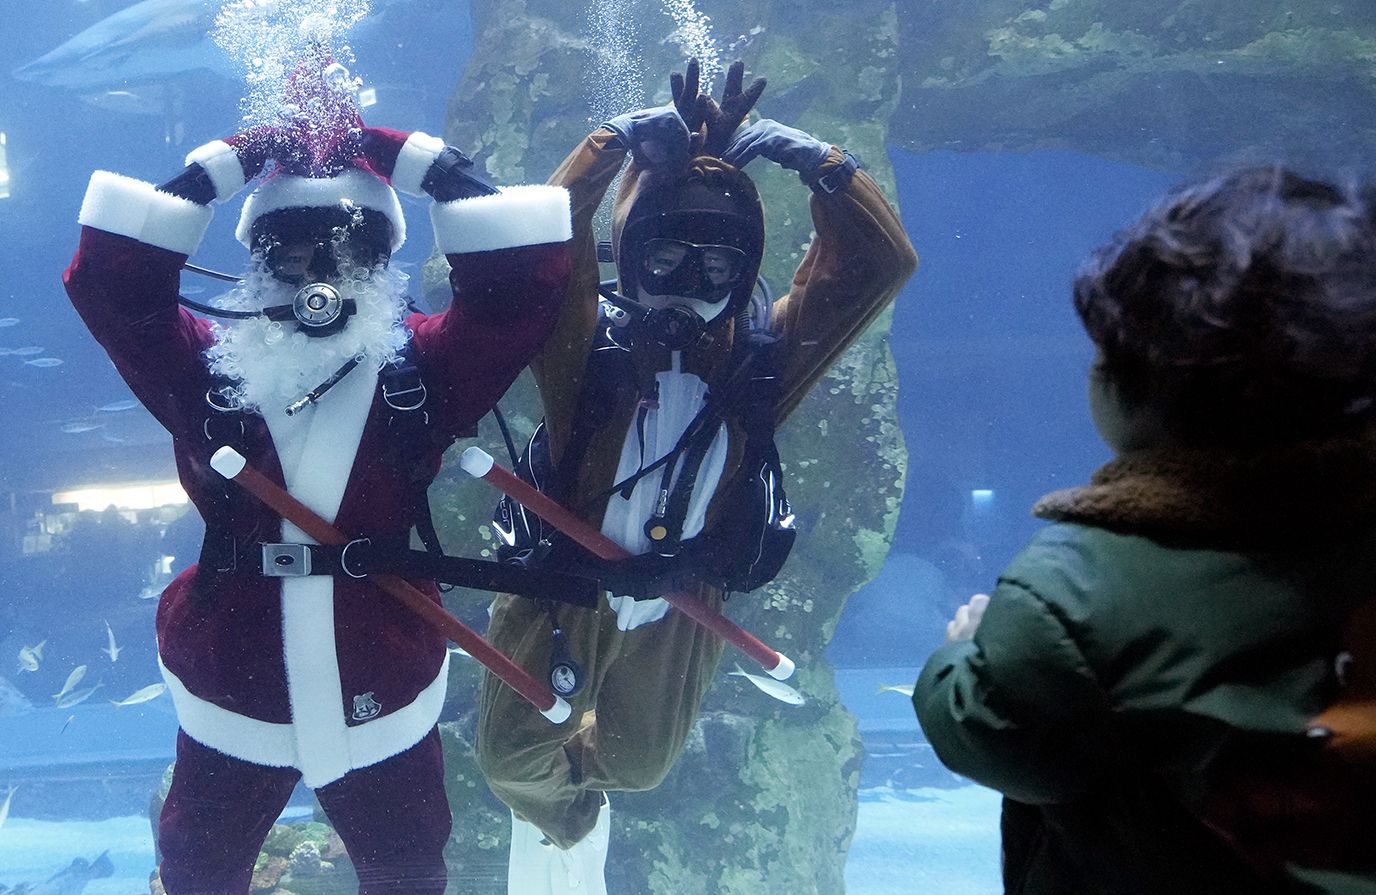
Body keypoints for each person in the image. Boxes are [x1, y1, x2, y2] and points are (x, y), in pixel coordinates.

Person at [62, 79, 572, 891]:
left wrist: (422, 163)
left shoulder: (423, 367)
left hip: (382, 680)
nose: (320, 273)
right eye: (292, 249)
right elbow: (110, 286)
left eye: (349, 248)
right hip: (233, 685)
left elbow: (523, 292)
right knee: (196, 874)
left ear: (383, 261)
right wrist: (221, 167)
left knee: (409, 873)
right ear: (256, 258)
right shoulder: (205, 368)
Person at [474, 59, 917, 892]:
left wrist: (821, 163)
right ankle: (559, 821)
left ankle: (583, 799)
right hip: (564, 582)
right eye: (668, 258)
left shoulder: (763, 361)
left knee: (641, 766)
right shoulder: (583, 346)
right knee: (508, 759)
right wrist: (610, 143)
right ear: (631, 251)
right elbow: (536, 245)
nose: (689, 286)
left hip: (683, 595)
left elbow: (879, 267)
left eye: (716, 270)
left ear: (745, 272)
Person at [912, 168, 1376, 894]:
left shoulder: (1077, 585)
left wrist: (961, 656)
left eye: (1103, 354)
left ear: (1143, 386)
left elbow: (998, 737)